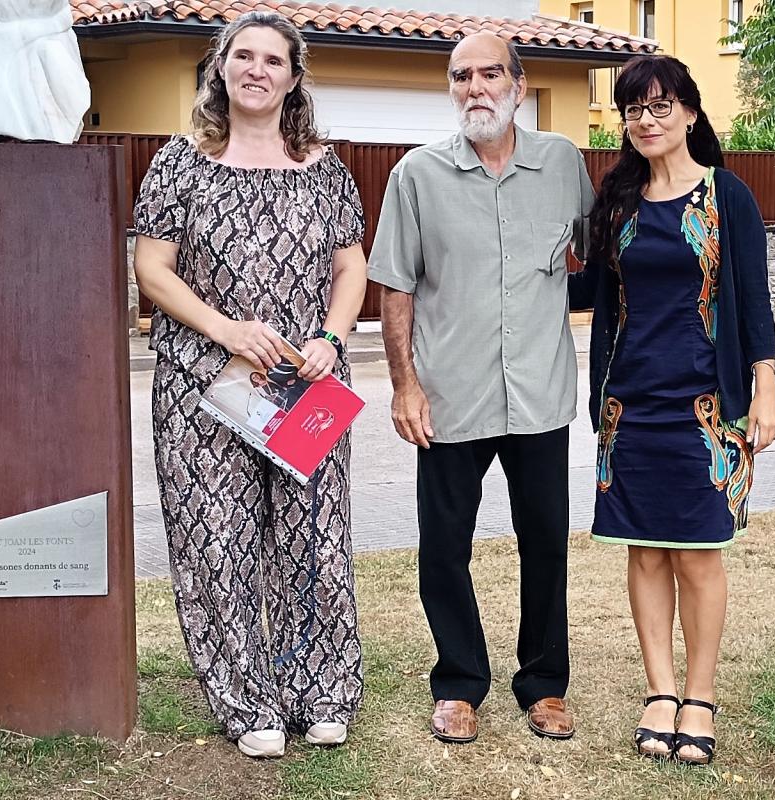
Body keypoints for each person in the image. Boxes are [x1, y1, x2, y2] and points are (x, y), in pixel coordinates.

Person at [130, 11, 369, 759]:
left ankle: (320, 691)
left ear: (295, 77)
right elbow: (151, 269)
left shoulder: (324, 167)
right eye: (243, 56)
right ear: (221, 67)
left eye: (273, 59)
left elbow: (350, 266)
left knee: (315, 539)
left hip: (306, 386)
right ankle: (247, 702)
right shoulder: (179, 162)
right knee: (219, 544)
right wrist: (227, 330)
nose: (257, 69)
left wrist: (331, 336)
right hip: (204, 385)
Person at [367, 31, 594, 745]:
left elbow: (587, 252)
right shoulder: (416, 176)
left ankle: (544, 683)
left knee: (546, 545)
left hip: (539, 394)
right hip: (450, 396)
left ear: (518, 87)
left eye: (490, 74)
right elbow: (394, 288)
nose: (475, 88)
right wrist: (405, 386)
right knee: (444, 548)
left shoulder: (563, 163)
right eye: (461, 76)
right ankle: (459, 684)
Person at [577, 55, 775, 766]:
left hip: (707, 407)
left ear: (691, 113)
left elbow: (754, 298)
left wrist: (767, 385)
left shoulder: (728, 196)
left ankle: (699, 697)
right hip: (628, 405)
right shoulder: (618, 199)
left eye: (661, 106)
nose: (647, 120)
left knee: (697, 554)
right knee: (645, 550)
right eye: (635, 109)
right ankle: (658, 692)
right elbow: (591, 294)